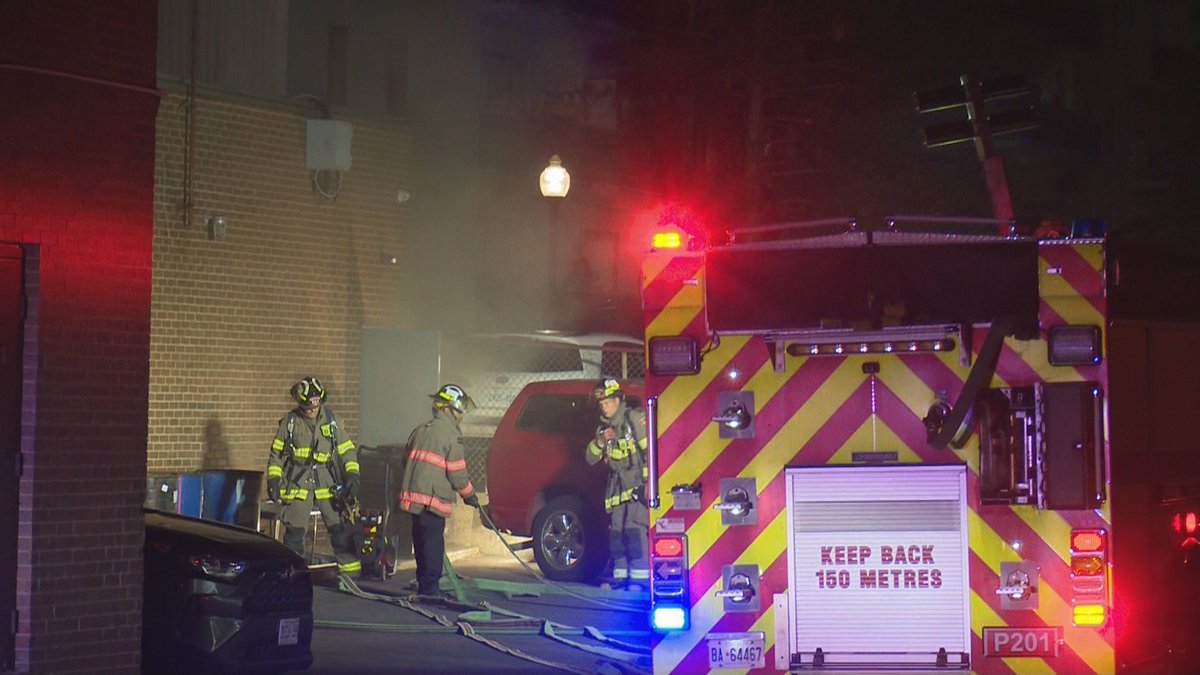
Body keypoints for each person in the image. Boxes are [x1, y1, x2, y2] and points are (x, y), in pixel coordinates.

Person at [266, 376, 363, 577]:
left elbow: (347, 451)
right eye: (309, 406)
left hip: (328, 483)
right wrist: (274, 480)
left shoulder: (332, 421)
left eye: (316, 405)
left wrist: (352, 476)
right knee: (294, 534)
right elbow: (276, 455)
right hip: (299, 484)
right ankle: (294, 577)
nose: (313, 410)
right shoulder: (290, 423)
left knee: (340, 530)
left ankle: (351, 578)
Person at [397, 384, 480, 597]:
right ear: (446, 409)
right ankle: (430, 589)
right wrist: (469, 495)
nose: (461, 415)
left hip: (414, 501)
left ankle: (424, 584)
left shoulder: (421, 430)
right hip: (433, 500)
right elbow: (457, 473)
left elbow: (404, 461)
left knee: (421, 542)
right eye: (459, 410)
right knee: (434, 546)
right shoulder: (452, 436)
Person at [585, 378, 650, 590]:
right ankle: (620, 578)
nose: (604, 407)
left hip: (636, 487)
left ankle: (639, 581)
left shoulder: (633, 419)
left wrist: (648, 484)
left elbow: (650, 452)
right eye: (601, 404)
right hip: (616, 490)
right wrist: (601, 442)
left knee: (634, 531)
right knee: (616, 533)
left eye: (607, 403)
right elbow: (590, 458)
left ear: (618, 400)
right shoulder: (604, 429)